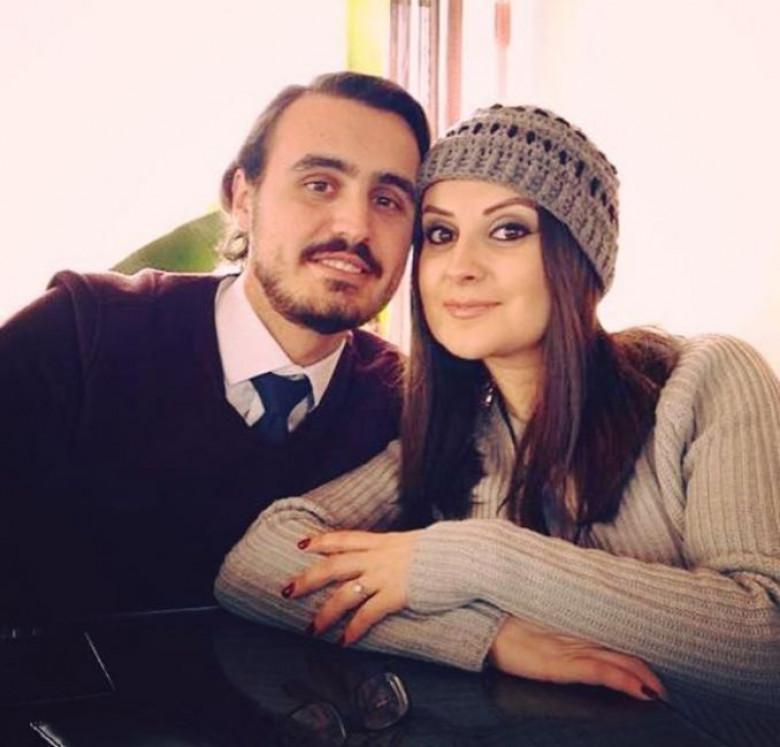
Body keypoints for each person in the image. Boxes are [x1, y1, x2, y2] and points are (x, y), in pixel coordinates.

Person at [215, 104, 780, 707]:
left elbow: (763, 643)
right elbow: (255, 565)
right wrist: (488, 638)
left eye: (508, 230)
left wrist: (473, 557)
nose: (460, 269)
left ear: (579, 259)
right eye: (440, 235)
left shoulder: (704, 380)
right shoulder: (456, 437)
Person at [0, 71, 430, 623]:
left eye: (388, 200)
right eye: (319, 184)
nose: (355, 225)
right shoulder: (81, 336)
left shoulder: (408, 409)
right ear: (243, 197)